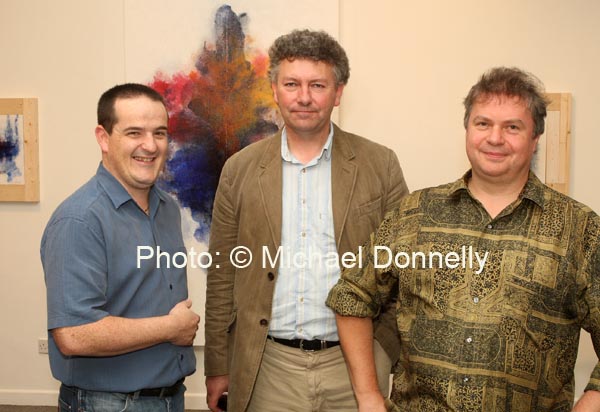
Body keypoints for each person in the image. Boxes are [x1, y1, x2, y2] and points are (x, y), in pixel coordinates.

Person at [326, 66, 600, 411]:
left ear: (535, 139)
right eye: (483, 123)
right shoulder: (416, 212)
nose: (495, 138)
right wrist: (367, 397)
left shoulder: (579, 229)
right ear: (468, 129)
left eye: (512, 127)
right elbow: (351, 296)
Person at [204, 29, 409, 412]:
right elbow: (221, 275)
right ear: (274, 89)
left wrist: (384, 347)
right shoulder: (240, 169)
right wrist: (217, 365)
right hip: (268, 367)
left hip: (356, 365)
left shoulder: (379, 164)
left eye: (317, 85)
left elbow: (404, 267)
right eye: (292, 84)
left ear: (338, 91)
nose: (303, 97)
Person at [41, 83, 200, 412]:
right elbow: (74, 334)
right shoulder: (79, 220)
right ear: (103, 138)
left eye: (159, 133)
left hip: (170, 398)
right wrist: (172, 327)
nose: (150, 145)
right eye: (134, 133)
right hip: (108, 404)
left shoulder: (167, 209)